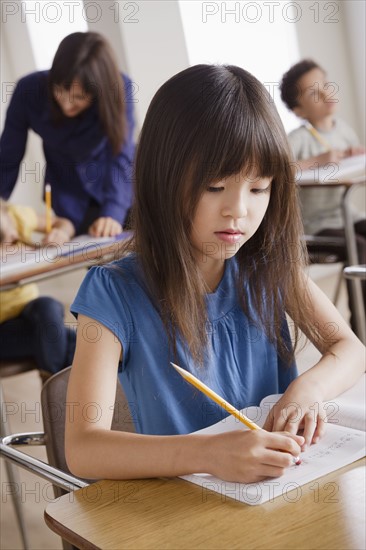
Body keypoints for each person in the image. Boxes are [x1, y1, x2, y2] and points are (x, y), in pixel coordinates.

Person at [65, 65, 364, 484]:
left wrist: (309, 390)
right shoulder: (114, 291)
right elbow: (83, 449)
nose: (238, 211)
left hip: (278, 492)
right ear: (162, 179)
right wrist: (210, 454)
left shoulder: (266, 266)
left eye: (259, 188)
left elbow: (349, 348)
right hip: (186, 508)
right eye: (214, 186)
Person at [0, 31, 135, 237]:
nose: (66, 103)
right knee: (97, 266)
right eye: (59, 90)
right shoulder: (28, 90)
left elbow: (121, 154)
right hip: (68, 199)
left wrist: (113, 213)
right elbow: (8, 156)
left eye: (78, 97)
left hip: (120, 193)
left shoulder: (120, 89)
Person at [280, 59, 366, 331]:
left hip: (346, 217)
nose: (327, 94)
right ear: (298, 109)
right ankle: (361, 328)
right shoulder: (299, 139)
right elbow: (277, 169)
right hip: (317, 227)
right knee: (360, 246)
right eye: (314, 93)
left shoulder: (343, 130)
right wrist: (318, 159)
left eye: (326, 86)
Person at [0, 200, 76, 373]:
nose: (14, 235)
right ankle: (60, 392)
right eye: (6, 241)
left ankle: (57, 389)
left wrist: (61, 232)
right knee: (70, 341)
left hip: (29, 311)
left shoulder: (17, 215)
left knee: (48, 307)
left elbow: (64, 223)